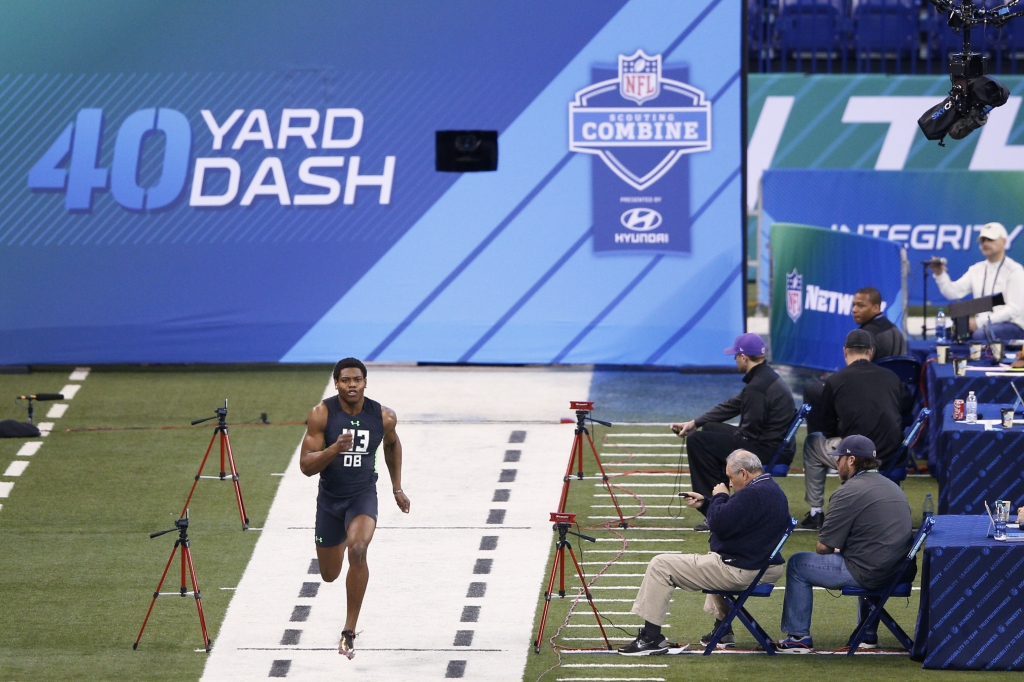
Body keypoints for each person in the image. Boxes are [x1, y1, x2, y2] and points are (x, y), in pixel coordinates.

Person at [618, 450, 791, 655]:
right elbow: (737, 518)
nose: (730, 483)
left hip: (745, 569)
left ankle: (651, 638)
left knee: (660, 565)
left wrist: (719, 496)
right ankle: (723, 629)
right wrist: (706, 504)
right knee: (714, 559)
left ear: (744, 473)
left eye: (730, 477)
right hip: (765, 566)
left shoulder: (752, 493)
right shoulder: (769, 488)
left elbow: (719, 523)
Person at [299, 357, 411, 659]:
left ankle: (348, 631)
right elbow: (306, 466)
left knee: (358, 549)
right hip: (330, 501)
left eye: (357, 380)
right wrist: (334, 448)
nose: (352, 385)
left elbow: (391, 444)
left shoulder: (384, 416)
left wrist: (397, 488)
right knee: (329, 574)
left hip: (362, 497)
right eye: (345, 380)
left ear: (365, 383)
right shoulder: (322, 414)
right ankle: (341, 540)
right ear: (336, 383)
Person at [777, 435, 914, 652]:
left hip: (870, 572)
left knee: (797, 564)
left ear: (851, 460)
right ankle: (867, 633)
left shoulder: (848, 491)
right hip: (900, 570)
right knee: (867, 555)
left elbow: (823, 547)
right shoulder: (893, 487)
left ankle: (798, 636)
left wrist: (840, 546)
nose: (836, 463)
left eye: (839, 458)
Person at [672, 333, 795, 532]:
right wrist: (695, 423)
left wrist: (715, 439)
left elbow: (748, 434)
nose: (735, 359)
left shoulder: (757, 388)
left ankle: (713, 510)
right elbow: (732, 405)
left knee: (697, 441)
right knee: (710, 428)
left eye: (736, 356)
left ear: (744, 357)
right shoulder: (765, 377)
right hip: (773, 444)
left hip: (765, 450)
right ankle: (719, 499)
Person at [799, 330, 908, 530]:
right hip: (892, 454)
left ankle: (816, 513)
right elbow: (902, 413)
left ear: (845, 352)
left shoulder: (835, 381)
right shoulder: (892, 377)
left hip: (857, 458)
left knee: (812, 443)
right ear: (871, 352)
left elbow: (827, 428)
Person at [804, 286, 906, 434]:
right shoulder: (896, 330)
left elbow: (856, 375)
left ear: (876, 307)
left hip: (870, 395)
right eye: (854, 305)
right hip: (896, 396)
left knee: (813, 391)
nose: (854, 309)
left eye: (861, 305)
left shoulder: (866, 336)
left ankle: (822, 443)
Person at [930, 221, 1024, 340]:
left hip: (1013, 325)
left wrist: (979, 322)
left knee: (980, 334)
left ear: (1004, 242)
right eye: (982, 240)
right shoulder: (976, 269)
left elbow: (1014, 309)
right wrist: (939, 274)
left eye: (990, 240)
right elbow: (952, 292)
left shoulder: (1014, 270)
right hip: (984, 324)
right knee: (948, 333)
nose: (985, 243)